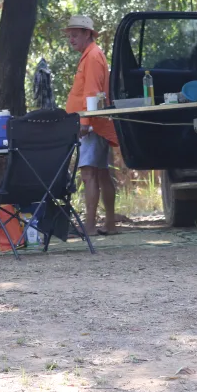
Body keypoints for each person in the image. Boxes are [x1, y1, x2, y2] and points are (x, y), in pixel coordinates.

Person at [64, 15, 120, 236]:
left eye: (75, 35)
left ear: (88, 34)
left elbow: (92, 92)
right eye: (70, 35)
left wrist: (85, 123)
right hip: (93, 122)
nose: (71, 39)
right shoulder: (90, 55)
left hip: (92, 124)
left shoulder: (93, 56)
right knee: (102, 173)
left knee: (88, 174)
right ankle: (110, 224)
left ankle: (90, 226)